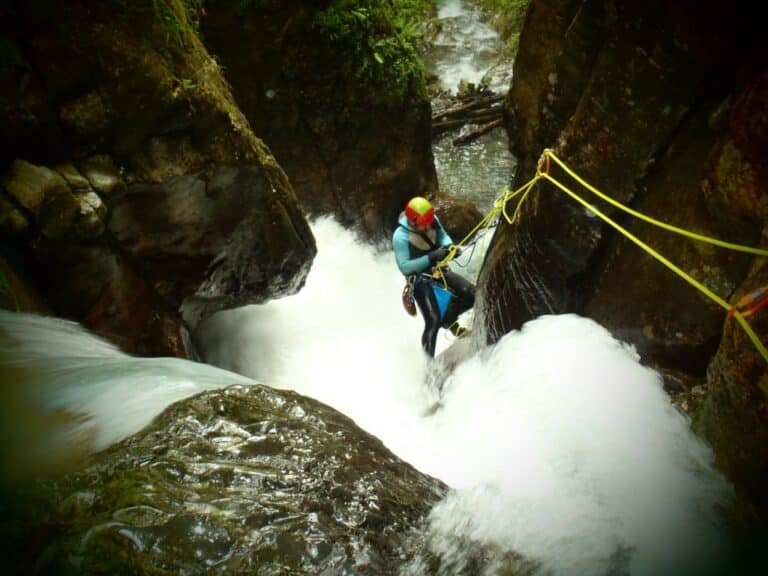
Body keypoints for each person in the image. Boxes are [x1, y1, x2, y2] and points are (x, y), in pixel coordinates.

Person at [393, 196, 475, 357]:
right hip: (418, 280)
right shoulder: (400, 237)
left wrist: (450, 247)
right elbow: (404, 267)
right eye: (425, 222)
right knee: (433, 321)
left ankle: (450, 320)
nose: (429, 224)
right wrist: (431, 257)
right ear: (414, 221)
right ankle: (427, 366)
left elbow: (443, 236)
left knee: (471, 294)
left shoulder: (432, 220)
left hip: (440, 270)